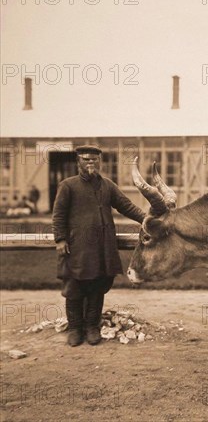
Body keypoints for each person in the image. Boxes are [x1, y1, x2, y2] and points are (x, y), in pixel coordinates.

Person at [52, 145, 146, 346]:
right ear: (78, 162)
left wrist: (147, 220)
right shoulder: (68, 186)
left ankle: (92, 327)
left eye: (95, 159)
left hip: (102, 249)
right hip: (77, 248)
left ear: (100, 162)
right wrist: (60, 239)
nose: (91, 162)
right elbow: (58, 215)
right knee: (74, 288)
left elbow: (126, 206)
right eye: (86, 159)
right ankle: (75, 329)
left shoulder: (108, 186)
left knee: (97, 287)